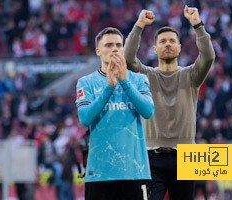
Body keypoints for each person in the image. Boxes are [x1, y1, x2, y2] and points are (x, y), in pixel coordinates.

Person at [124, 6, 216, 200]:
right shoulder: (145, 75)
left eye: (172, 41)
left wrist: (197, 24)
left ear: (180, 47)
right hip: (150, 156)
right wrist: (139, 25)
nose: (167, 44)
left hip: (186, 155)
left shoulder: (191, 75)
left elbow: (208, 56)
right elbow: (127, 58)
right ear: (155, 48)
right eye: (163, 41)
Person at [76, 27, 155, 200]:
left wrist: (124, 81)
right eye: (109, 45)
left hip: (135, 171)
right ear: (98, 51)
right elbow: (85, 118)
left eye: (119, 45)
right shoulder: (86, 82)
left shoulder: (139, 79)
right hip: (99, 173)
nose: (115, 49)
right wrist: (109, 88)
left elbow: (148, 111)